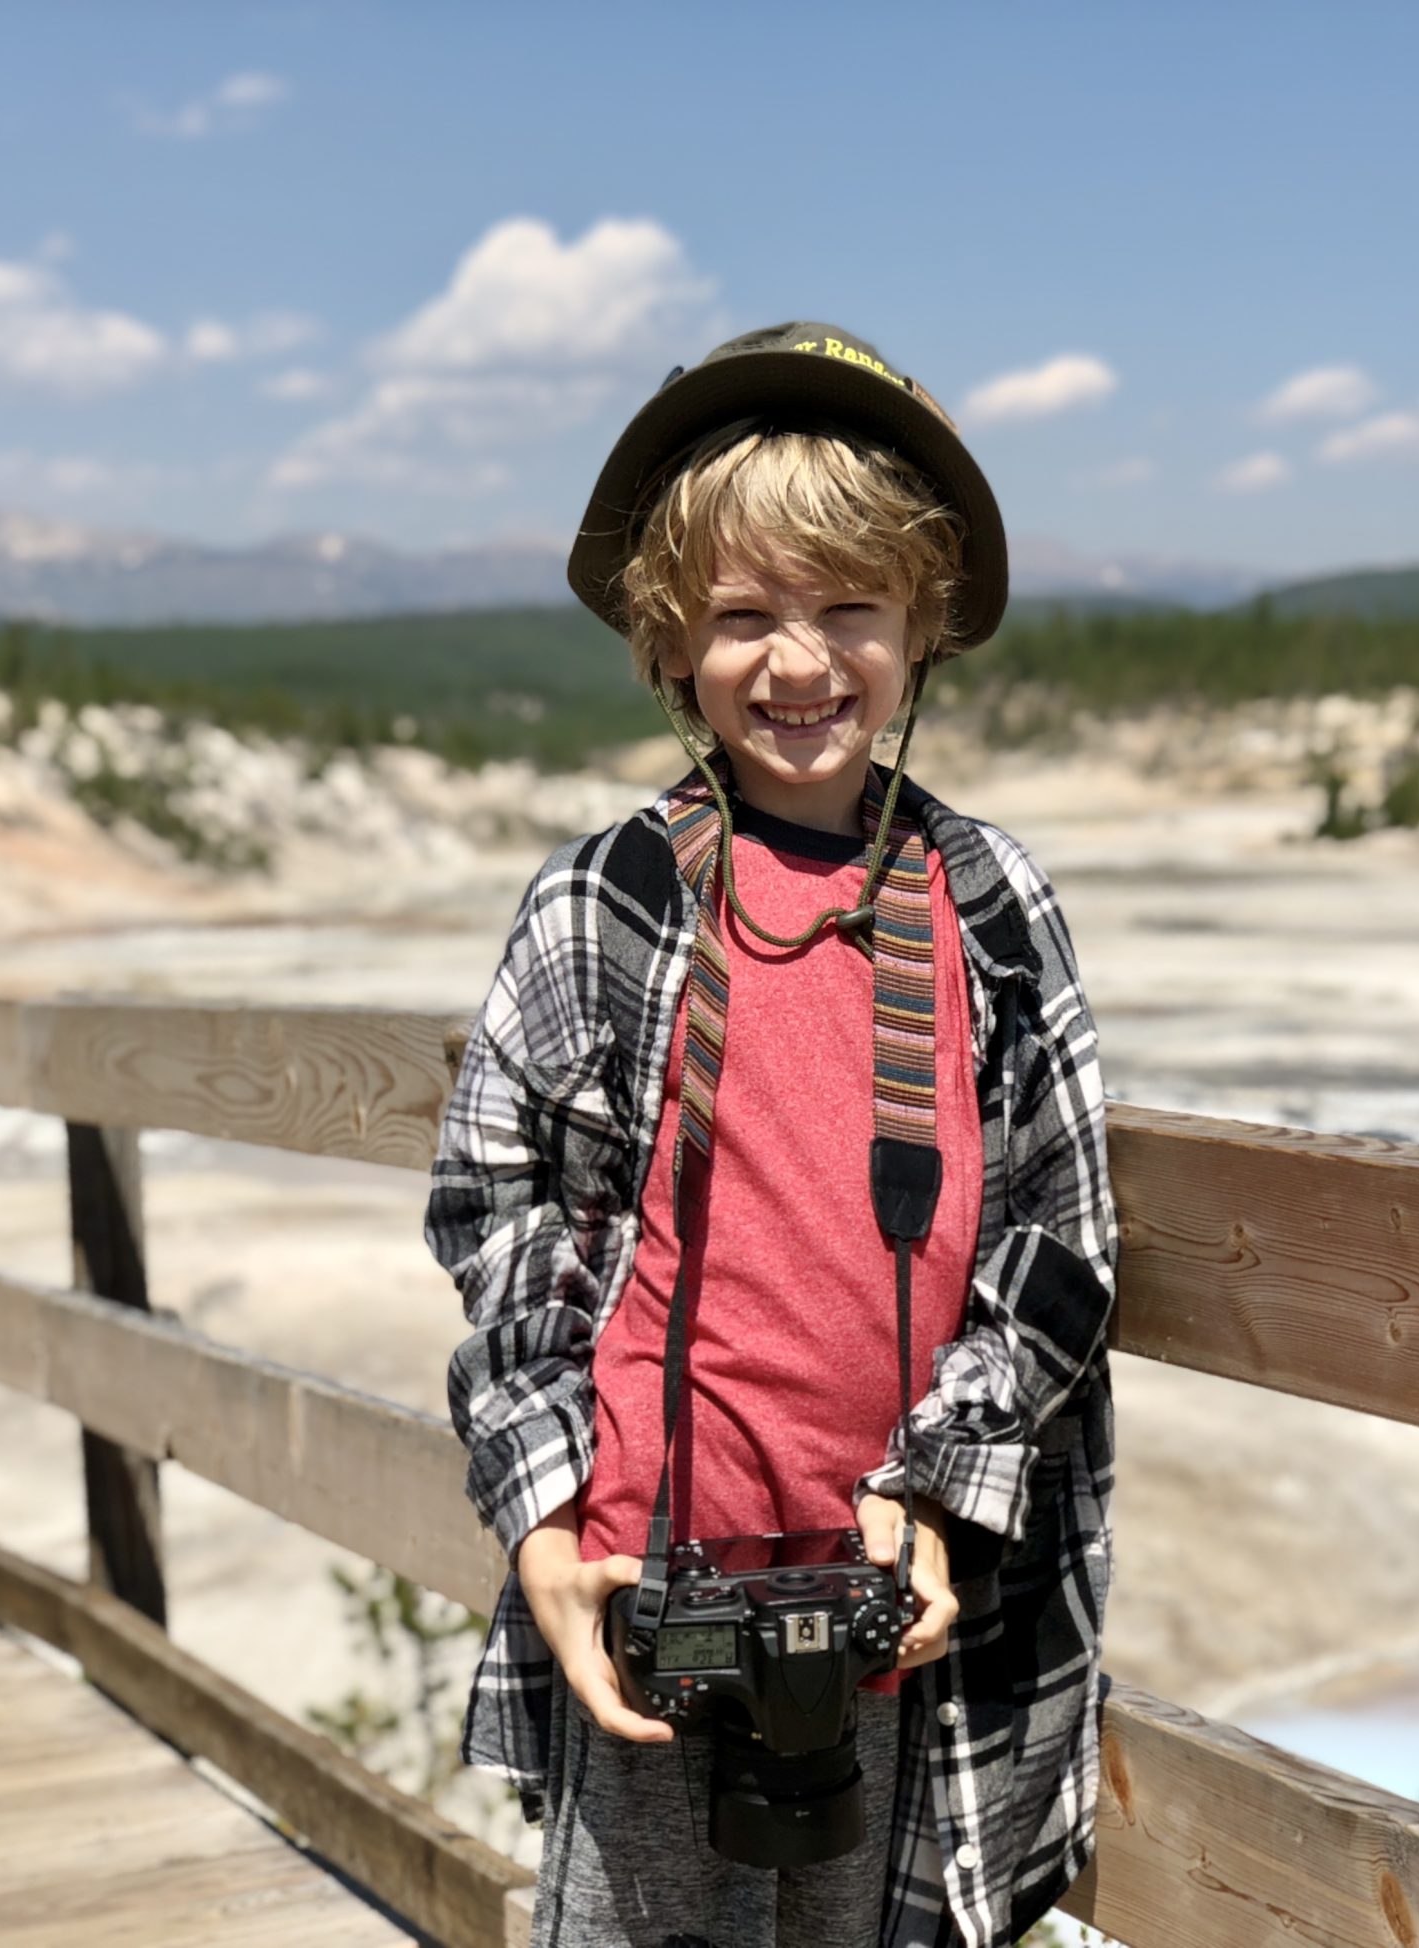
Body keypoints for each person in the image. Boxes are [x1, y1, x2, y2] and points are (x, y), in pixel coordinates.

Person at [425, 323, 1119, 1948]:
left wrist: (947, 1489)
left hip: (908, 1598)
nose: (798, 661)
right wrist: (547, 1519)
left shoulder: (990, 909)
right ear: (672, 645)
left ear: (925, 622)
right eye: (743, 615)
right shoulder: (609, 901)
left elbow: (1059, 1241)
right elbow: (498, 1212)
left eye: (848, 607)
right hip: (652, 1586)